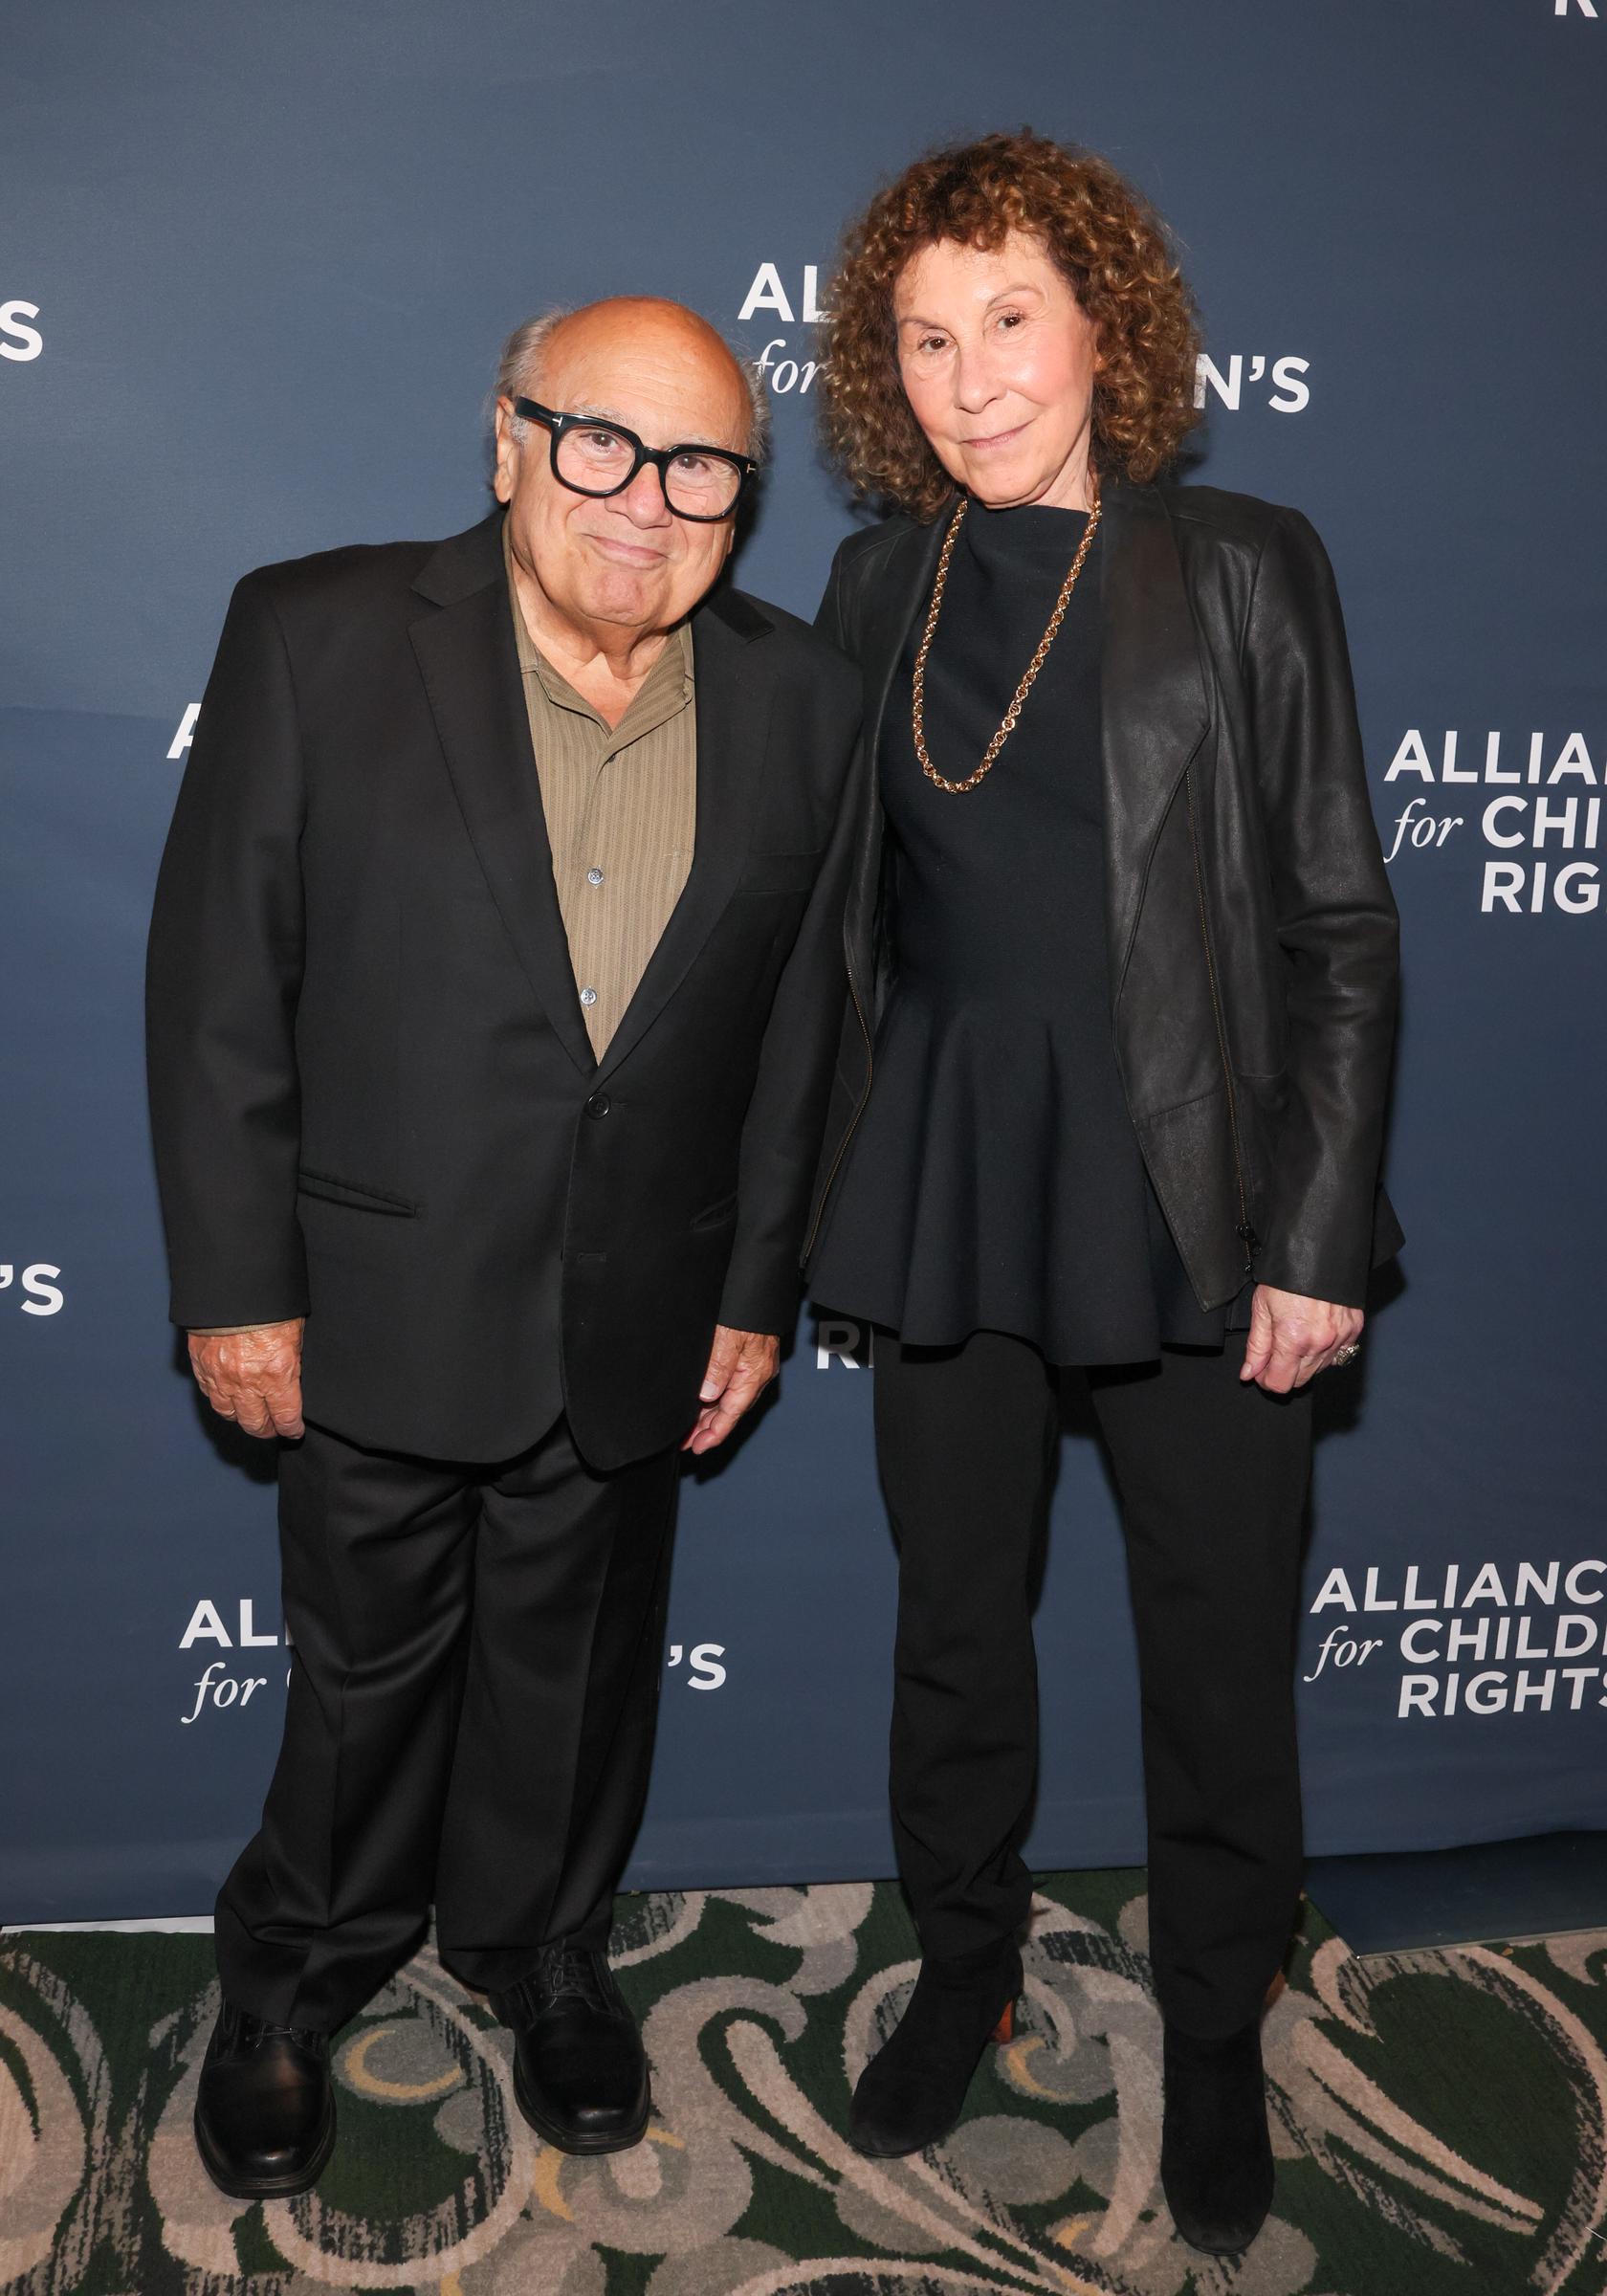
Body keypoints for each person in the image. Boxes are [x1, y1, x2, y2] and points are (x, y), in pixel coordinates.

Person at [145, 297, 862, 2197]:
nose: (646, 497)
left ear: (740, 498)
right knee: (362, 1681)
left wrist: (753, 1285)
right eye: (600, 442)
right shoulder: (316, 633)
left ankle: (541, 1957)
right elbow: (223, 987)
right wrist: (234, 1286)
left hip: (641, 1307)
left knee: (579, 1675)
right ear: (508, 441)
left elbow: (806, 1019)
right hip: (375, 1294)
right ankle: (291, 1987)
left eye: (701, 464)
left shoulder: (803, 696)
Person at [806, 132, 1401, 2258]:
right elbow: (841, 925)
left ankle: (1218, 2029)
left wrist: (1318, 1241)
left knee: (1219, 1647)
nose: (971, 380)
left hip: (1198, 1189)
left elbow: (1340, 922)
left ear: (1106, 328)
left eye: (1013, 323)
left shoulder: (1245, 562)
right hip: (950, 1177)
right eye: (926, 338)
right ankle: (963, 1961)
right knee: (953, 1631)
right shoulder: (878, 585)